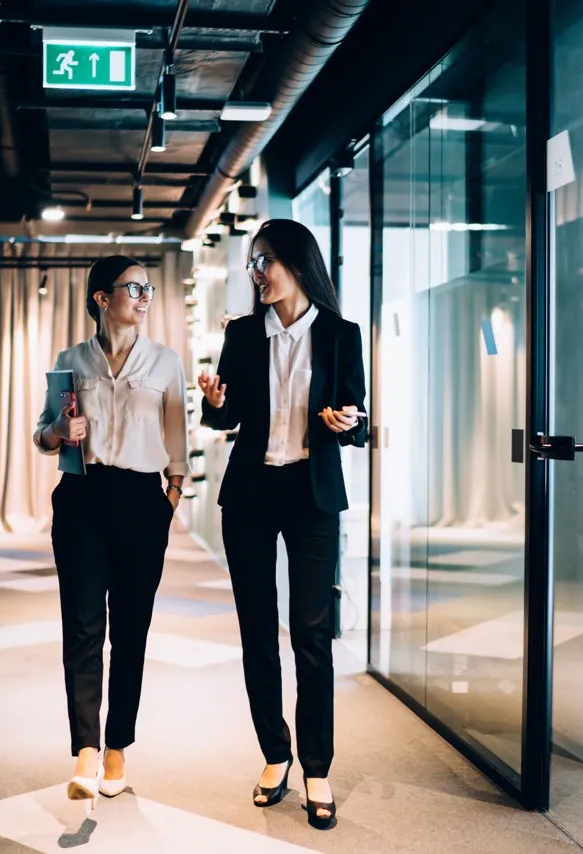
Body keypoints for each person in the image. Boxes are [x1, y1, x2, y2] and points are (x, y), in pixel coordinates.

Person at [197, 219, 367, 830]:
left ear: (297, 262)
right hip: (251, 491)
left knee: (312, 634)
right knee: (255, 629)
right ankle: (276, 753)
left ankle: (316, 766)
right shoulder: (243, 334)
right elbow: (228, 416)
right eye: (252, 264)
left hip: (312, 492)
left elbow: (360, 418)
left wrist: (349, 422)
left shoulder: (343, 336)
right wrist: (216, 404)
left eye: (265, 260)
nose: (257, 273)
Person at [33, 255, 188, 800]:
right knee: (81, 627)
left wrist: (170, 498)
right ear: (102, 297)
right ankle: (85, 751)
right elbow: (42, 436)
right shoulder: (71, 360)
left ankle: (118, 746)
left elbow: (177, 439)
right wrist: (59, 427)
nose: (144, 296)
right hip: (82, 497)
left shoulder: (167, 362)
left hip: (143, 502)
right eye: (133, 287)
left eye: (148, 288)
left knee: (130, 630)